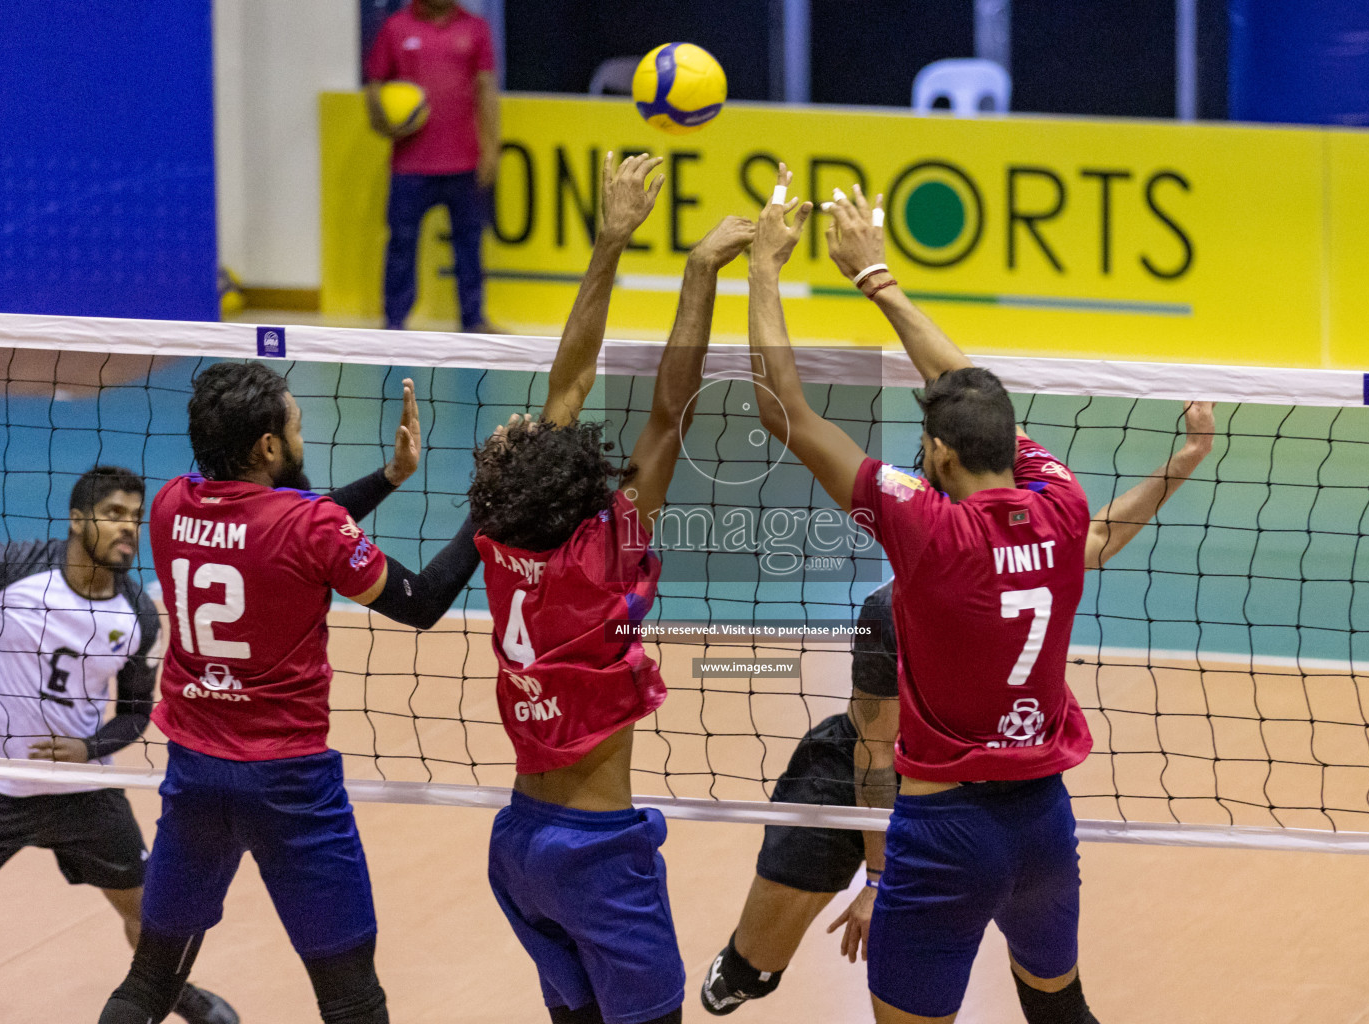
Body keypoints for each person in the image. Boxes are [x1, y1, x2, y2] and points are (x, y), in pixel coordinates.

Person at [741, 164, 1120, 1024]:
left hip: (947, 835)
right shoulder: (1063, 504)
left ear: (942, 457)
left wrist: (765, 269)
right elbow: (980, 397)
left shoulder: (930, 530)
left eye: (927, 441)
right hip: (1043, 826)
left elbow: (784, 411)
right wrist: (878, 280)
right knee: (1060, 1010)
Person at [701, 401, 1217, 1015]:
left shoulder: (960, 570)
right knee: (753, 965)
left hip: (943, 787)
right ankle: (749, 964)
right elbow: (872, 759)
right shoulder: (950, 584)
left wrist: (879, 882)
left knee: (1034, 987)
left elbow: (1097, 539)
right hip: (890, 765)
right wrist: (877, 878)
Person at [97, 372, 484, 1024]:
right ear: (270, 447)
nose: (305, 435)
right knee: (351, 997)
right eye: (300, 426)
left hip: (196, 775)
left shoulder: (169, 506)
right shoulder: (311, 527)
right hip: (289, 787)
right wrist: (490, 509)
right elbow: (420, 603)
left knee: (149, 982)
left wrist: (388, 476)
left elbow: (283, 526)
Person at [468, 152, 754, 1024]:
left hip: (516, 847)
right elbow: (671, 410)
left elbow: (568, 382)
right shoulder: (604, 553)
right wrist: (700, 270)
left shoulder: (500, 539)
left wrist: (608, 242)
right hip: (596, 856)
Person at [0, 467, 234, 1023]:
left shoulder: (136, 615)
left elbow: (137, 711)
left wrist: (87, 749)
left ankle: (172, 993)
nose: (128, 529)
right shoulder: (10, 568)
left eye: (135, 518)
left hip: (81, 791)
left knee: (149, 910)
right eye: (115, 514)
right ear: (76, 519)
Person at [365, 0, 502, 333]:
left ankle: (473, 319)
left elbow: (486, 90)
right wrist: (384, 123)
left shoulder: (475, 27)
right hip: (410, 165)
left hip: (464, 161)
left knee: (470, 243)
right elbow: (374, 86)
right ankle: (394, 321)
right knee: (401, 243)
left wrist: (491, 149)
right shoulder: (395, 28)